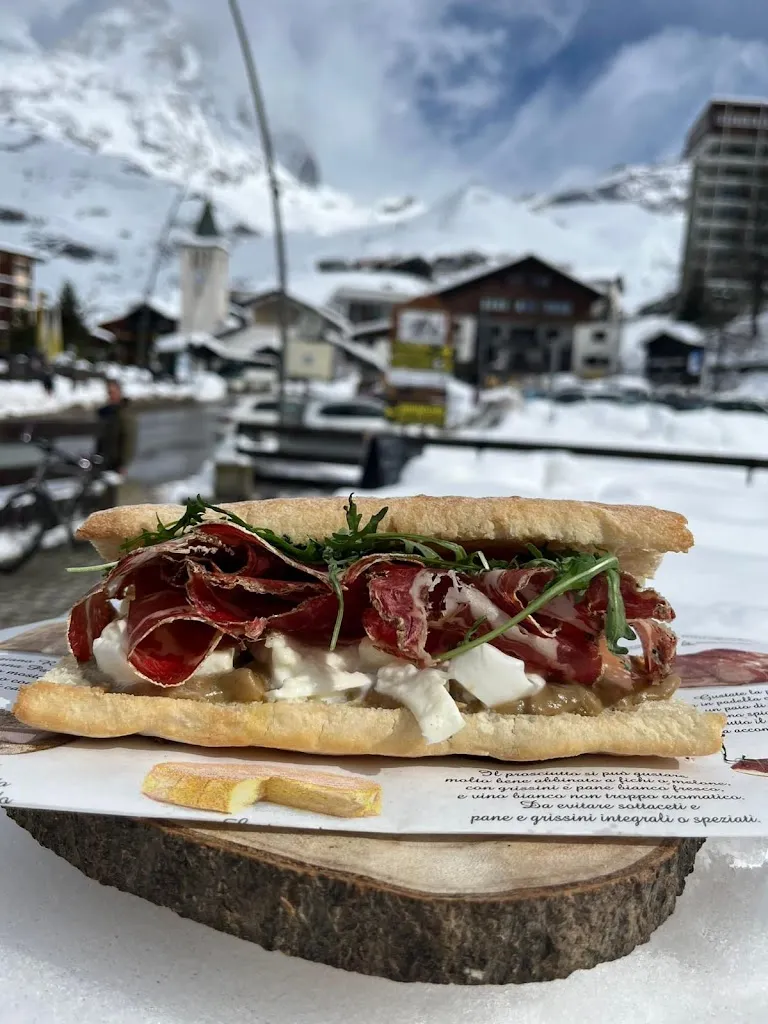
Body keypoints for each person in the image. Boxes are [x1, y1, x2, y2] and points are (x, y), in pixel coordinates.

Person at [95, 378, 138, 506]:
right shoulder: (105, 412)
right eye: (109, 392)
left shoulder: (125, 412)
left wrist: (124, 463)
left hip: (117, 460)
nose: (110, 395)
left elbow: (129, 439)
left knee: (115, 493)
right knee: (103, 492)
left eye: (113, 392)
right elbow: (100, 438)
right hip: (104, 458)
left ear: (119, 392)